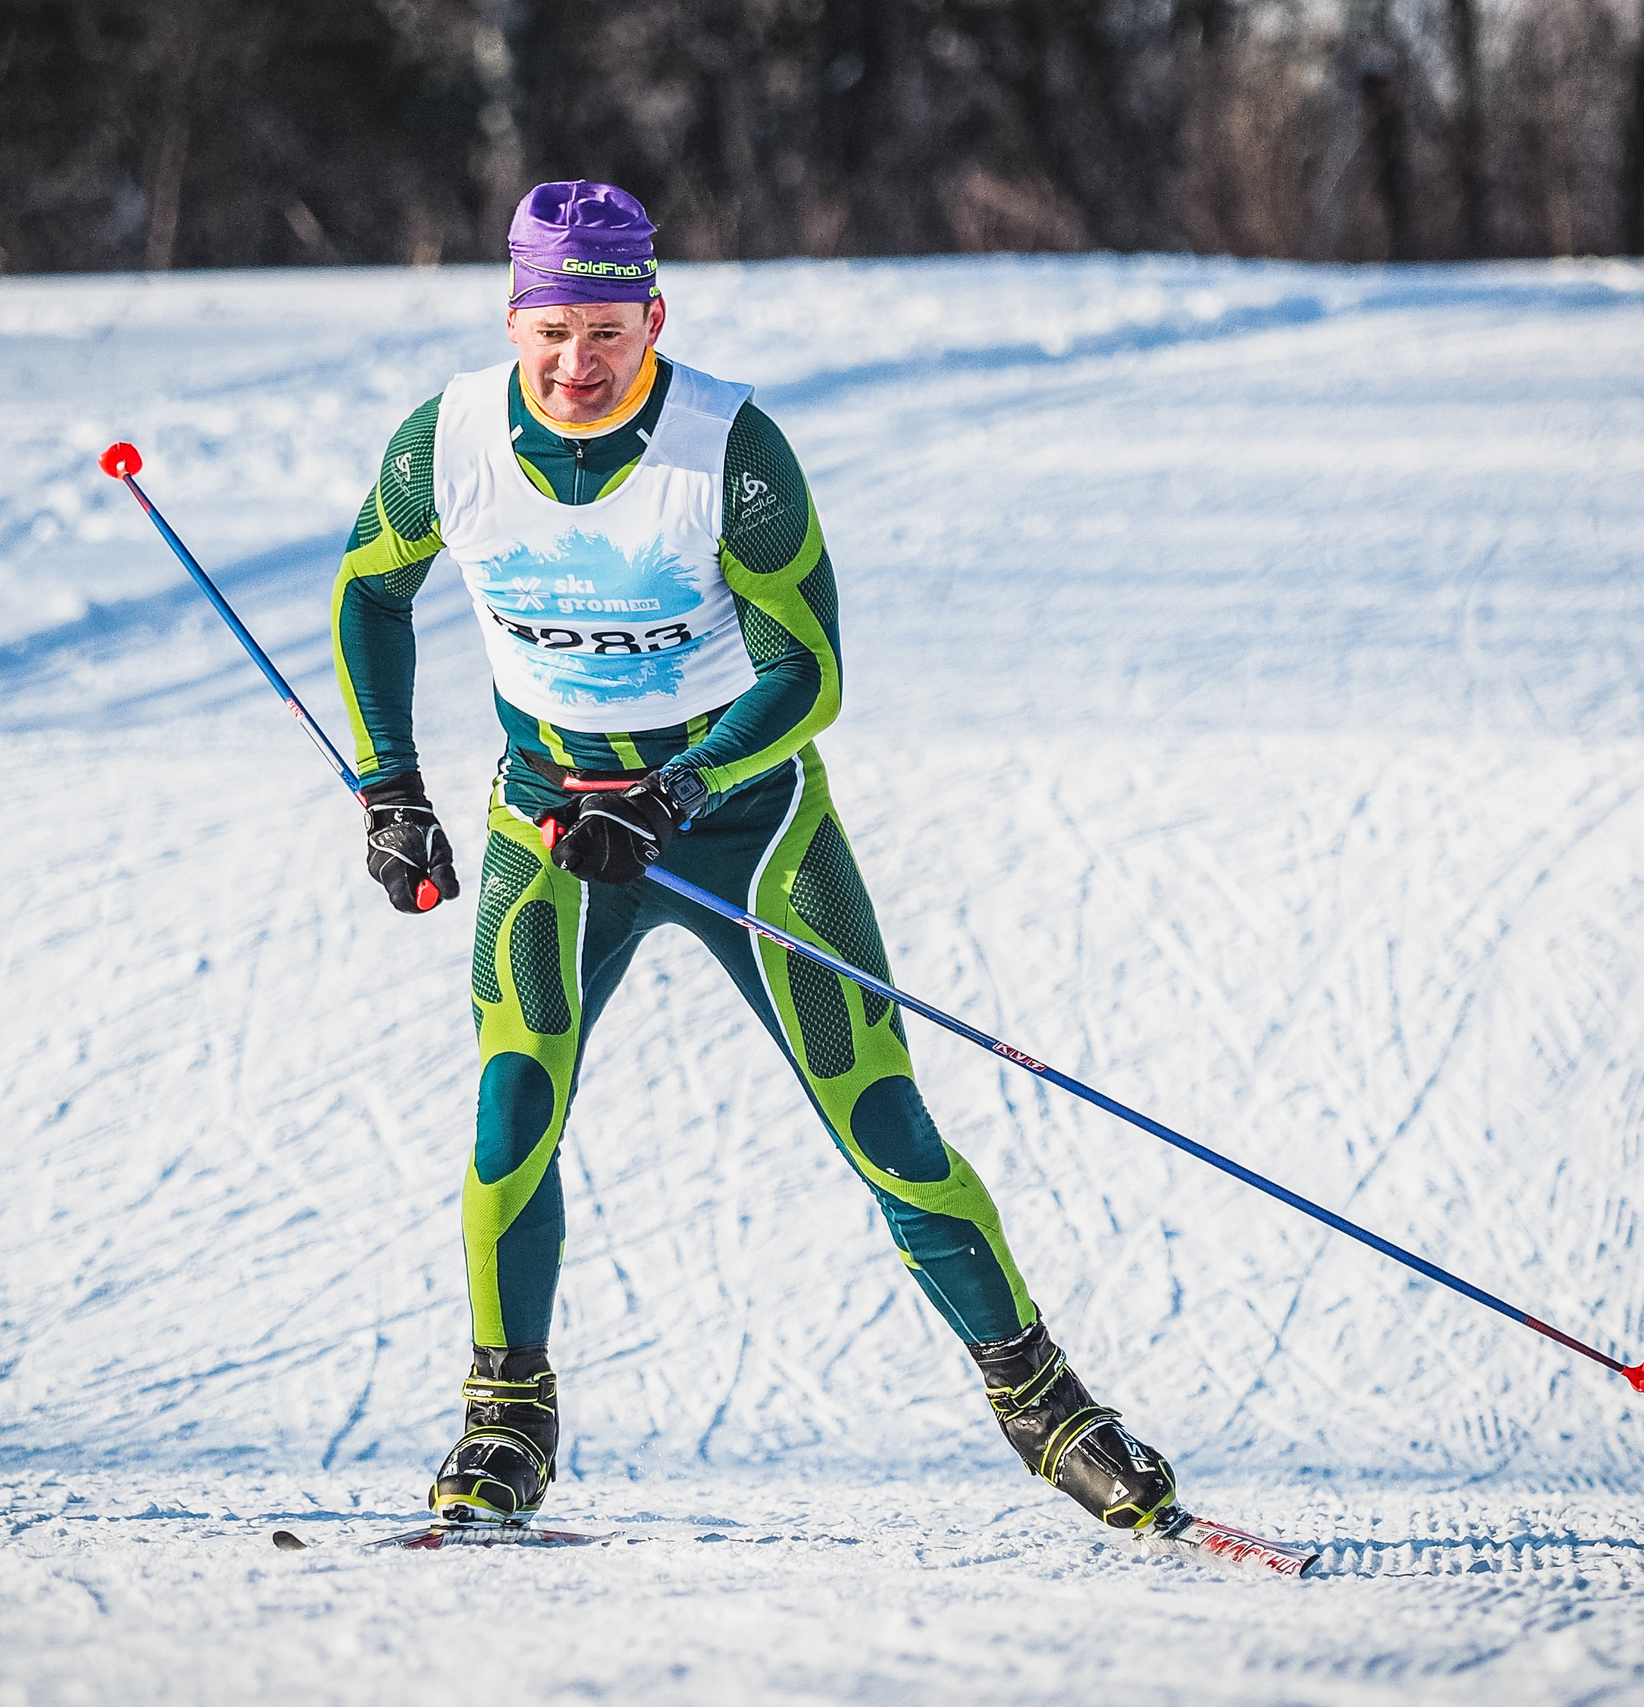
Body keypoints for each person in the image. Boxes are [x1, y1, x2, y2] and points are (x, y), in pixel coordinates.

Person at [328, 180, 1179, 1536]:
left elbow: (808, 668)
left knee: (885, 1124)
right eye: (551, 330)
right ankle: (507, 1415)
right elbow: (372, 587)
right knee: (508, 1127)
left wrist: (677, 786)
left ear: (653, 319)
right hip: (547, 819)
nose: (575, 362)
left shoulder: (731, 447)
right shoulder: (448, 439)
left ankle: (1045, 1401)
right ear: (513, 321)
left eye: (607, 330)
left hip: (744, 825)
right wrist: (389, 788)